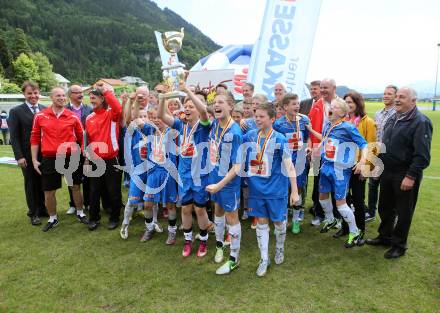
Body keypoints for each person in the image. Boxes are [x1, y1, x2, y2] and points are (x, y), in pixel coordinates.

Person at [366, 87, 432, 259]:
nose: (397, 99)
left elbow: (422, 156)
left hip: (405, 174)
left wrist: (410, 176)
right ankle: (385, 237)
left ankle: (399, 245)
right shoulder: (392, 118)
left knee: (404, 211)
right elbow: (384, 145)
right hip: (387, 171)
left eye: (402, 97)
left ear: (413, 101)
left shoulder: (420, 122)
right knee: (385, 207)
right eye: (397, 96)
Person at [244, 103, 299, 277]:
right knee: (261, 222)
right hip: (256, 189)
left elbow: (289, 166)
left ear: (272, 119)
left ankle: (280, 248)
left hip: (276, 190)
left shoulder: (280, 139)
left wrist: (295, 191)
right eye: (256, 115)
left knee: (279, 223)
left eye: (262, 116)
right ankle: (263, 258)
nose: (257, 119)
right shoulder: (251, 135)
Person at [158, 82, 212, 258]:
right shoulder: (181, 125)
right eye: (186, 106)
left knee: (200, 210)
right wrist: (163, 98)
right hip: (184, 175)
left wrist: (187, 91)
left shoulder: (204, 126)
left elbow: (204, 111)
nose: (188, 109)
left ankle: (203, 241)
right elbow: (160, 115)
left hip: (200, 176)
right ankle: (188, 241)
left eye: (191, 106)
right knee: (186, 209)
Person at [308, 98, 368, 248]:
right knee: (322, 197)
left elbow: (364, 144)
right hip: (326, 166)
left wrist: (362, 162)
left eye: (334, 107)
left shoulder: (348, 127)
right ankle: (331, 219)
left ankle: (354, 232)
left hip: (340, 169)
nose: (330, 108)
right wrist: (313, 140)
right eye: (331, 106)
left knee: (340, 203)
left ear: (342, 112)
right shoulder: (328, 124)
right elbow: (326, 139)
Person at [30, 87, 87, 231]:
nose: (61, 98)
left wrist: (84, 156)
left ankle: (80, 213)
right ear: (51, 97)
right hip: (49, 157)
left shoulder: (72, 116)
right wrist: (34, 159)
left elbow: (82, 138)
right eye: (58, 95)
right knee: (49, 191)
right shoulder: (40, 116)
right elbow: (35, 138)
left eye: (63, 95)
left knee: (75, 186)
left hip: (70, 156)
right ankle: (53, 218)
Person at [205, 91, 243, 275]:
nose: (216, 105)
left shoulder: (234, 132)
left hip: (227, 183)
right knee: (217, 211)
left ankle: (234, 259)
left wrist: (220, 185)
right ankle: (220, 245)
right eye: (214, 102)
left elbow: (237, 166)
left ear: (231, 106)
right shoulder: (215, 123)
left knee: (232, 218)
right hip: (215, 178)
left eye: (221, 102)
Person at [332, 91, 376, 241]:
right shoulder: (341, 122)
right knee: (343, 199)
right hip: (342, 168)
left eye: (351, 102)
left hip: (358, 168)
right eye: (346, 102)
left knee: (358, 200)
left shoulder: (367, 122)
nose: (348, 105)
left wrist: (365, 168)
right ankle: (346, 228)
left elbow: (371, 146)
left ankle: (360, 231)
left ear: (358, 104)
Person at [8, 81, 47, 225]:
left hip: (44, 153)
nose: (33, 96)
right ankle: (34, 212)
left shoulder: (44, 109)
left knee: (43, 181)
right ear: (24, 94)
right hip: (26, 154)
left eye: (35, 93)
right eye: (29, 93)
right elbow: (14, 136)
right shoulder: (16, 111)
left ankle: (43, 209)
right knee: (31, 183)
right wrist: (19, 156)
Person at [85, 84, 123, 231]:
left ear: (102, 98)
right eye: (91, 98)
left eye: (94, 97)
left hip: (111, 159)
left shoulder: (111, 114)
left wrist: (106, 90)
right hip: (95, 159)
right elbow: (89, 139)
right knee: (94, 190)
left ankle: (114, 218)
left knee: (113, 190)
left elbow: (118, 108)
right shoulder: (89, 118)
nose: (92, 100)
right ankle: (94, 218)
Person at [140, 106, 179, 245]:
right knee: (148, 204)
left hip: (167, 172)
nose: (156, 120)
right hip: (153, 173)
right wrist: (132, 101)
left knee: (170, 205)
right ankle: (149, 228)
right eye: (153, 117)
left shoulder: (172, 132)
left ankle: (172, 231)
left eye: (159, 117)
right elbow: (135, 120)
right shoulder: (150, 130)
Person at [273, 93, 310, 234]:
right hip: (285, 160)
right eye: (294, 104)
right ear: (285, 107)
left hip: (300, 159)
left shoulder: (304, 120)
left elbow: (307, 138)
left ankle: (295, 219)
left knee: (298, 188)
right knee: (285, 188)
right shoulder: (278, 124)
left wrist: (308, 147)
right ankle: (283, 218)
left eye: (298, 103)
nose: (297, 106)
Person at [308, 78, 339, 226]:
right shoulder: (317, 105)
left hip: (337, 152)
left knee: (337, 183)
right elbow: (311, 129)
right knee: (318, 182)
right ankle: (319, 213)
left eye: (326, 87)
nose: (323, 90)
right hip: (318, 150)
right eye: (321, 88)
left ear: (334, 88)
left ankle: (337, 216)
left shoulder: (341, 104)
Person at [367, 85, 397, 222]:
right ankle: (371, 212)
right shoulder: (378, 113)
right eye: (384, 93)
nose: (386, 96)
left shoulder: (397, 114)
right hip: (376, 153)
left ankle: (390, 215)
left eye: (389, 94)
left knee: (389, 187)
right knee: (373, 184)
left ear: (395, 96)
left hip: (389, 155)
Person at [66, 85, 93, 214]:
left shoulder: (90, 109)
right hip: (70, 148)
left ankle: (87, 203)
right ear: (70, 95)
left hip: (87, 147)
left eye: (81, 92)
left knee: (88, 175)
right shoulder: (65, 110)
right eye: (77, 92)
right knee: (71, 176)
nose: (80, 94)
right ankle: (73, 204)